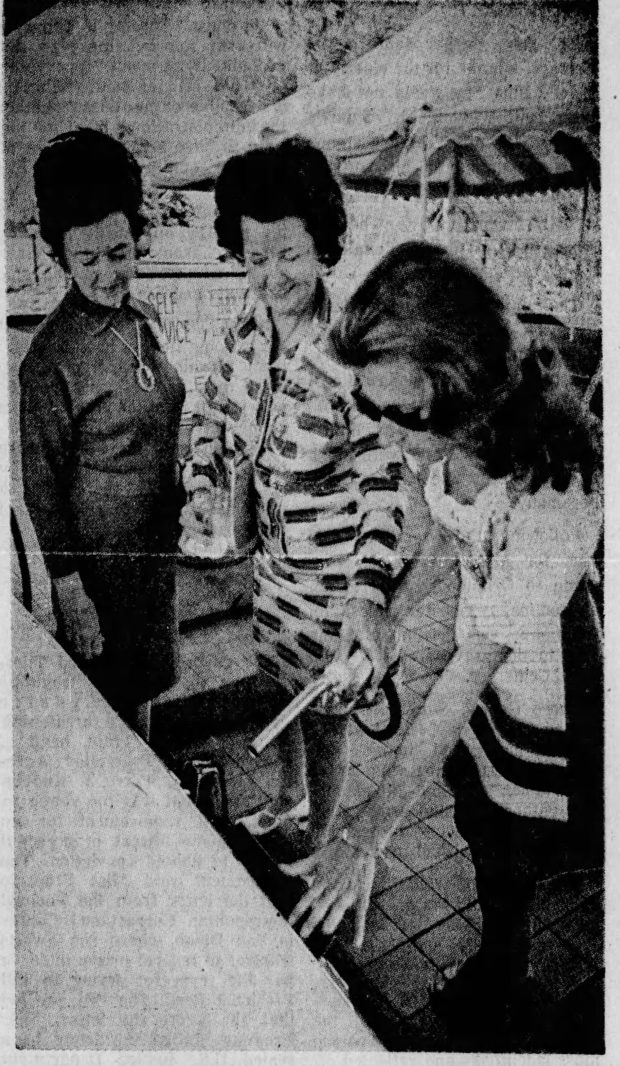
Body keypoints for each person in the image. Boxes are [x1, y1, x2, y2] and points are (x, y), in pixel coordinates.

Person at [282, 242, 603, 1044]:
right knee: (483, 827)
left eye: (402, 415)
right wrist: (386, 611)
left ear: (464, 395)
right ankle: (503, 961)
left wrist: (366, 831)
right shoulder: (447, 441)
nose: (383, 434)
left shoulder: (557, 495)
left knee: (525, 843)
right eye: (371, 407)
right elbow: (443, 529)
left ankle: (521, 981)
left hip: (551, 691)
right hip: (490, 681)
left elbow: (462, 676)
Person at [180, 137, 405, 850]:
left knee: (325, 714)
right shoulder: (243, 336)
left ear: (323, 248)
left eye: (289, 255)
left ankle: (317, 839)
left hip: (333, 586)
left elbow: (384, 485)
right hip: (271, 573)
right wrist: (202, 479)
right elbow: (210, 418)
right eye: (255, 258)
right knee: (278, 691)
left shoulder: (351, 355)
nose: (271, 276)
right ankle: (285, 801)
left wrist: (368, 594)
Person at [20, 129, 186, 736]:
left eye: (119, 252)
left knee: (145, 688)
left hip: (152, 556)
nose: (108, 273)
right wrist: (69, 590)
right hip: (99, 573)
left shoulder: (143, 320)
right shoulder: (50, 358)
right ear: (61, 257)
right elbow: (40, 482)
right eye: (87, 260)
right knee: (107, 715)